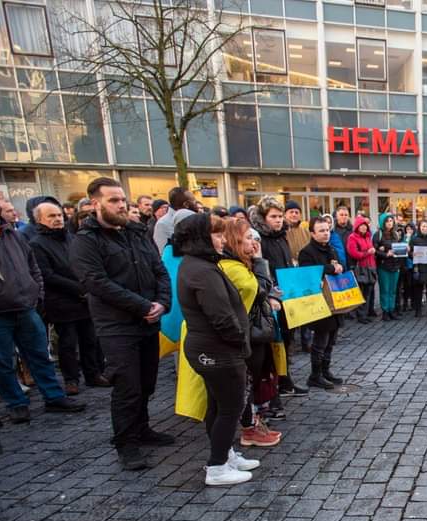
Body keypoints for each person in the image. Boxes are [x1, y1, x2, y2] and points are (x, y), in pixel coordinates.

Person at [72, 177, 170, 470]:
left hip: (148, 321)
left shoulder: (137, 234)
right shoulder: (85, 240)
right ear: (95, 204)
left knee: (147, 382)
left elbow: (159, 270)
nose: (121, 205)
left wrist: (162, 303)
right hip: (117, 326)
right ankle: (126, 443)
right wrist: (142, 306)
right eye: (113, 200)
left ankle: (142, 428)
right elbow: (97, 283)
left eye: (122, 200)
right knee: (127, 386)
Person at [0, 183, 84, 423]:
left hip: (25, 306)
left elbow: (33, 266)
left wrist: (36, 293)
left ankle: (54, 396)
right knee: (2, 360)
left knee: (40, 355)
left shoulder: (11, 232)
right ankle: (16, 403)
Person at [173, 213, 258, 486]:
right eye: (217, 235)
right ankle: (218, 467)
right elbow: (221, 316)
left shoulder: (199, 264)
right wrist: (238, 343)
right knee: (230, 407)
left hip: (213, 349)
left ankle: (225, 454)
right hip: (217, 350)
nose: (223, 240)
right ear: (201, 238)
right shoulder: (202, 270)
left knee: (217, 405)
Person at [29, 200, 108, 395]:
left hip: (84, 299)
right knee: (67, 344)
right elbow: (46, 275)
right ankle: (71, 379)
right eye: (51, 216)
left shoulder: (72, 238)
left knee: (90, 339)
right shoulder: (36, 244)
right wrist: (78, 288)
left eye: (58, 215)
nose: (57, 219)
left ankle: (93, 374)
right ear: (39, 220)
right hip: (61, 302)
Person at [219, 218, 282, 449]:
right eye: (248, 238)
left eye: (254, 238)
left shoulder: (240, 264)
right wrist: (259, 261)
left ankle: (253, 422)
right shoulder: (231, 267)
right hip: (244, 332)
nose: (253, 243)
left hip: (253, 330)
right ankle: (248, 428)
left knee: (254, 377)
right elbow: (259, 289)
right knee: (245, 382)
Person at [251, 198, 306, 396]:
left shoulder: (282, 236)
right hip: (270, 297)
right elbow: (259, 268)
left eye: (280, 216)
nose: (278, 220)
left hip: (286, 293)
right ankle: (275, 383)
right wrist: (270, 292)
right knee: (275, 342)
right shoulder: (259, 239)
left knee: (287, 338)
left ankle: (285, 379)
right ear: (263, 218)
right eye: (273, 216)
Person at [299, 217, 346, 389]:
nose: (326, 233)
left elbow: (336, 266)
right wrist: (331, 269)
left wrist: (339, 267)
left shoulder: (331, 249)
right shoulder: (307, 252)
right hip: (318, 301)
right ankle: (315, 375)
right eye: (321, 230)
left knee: (331, 339)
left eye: (327, 230)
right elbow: (308, 274)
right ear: (312, 233)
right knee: (320, 341)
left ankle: (326, 371)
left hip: (334, 300)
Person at [346, 215, 377, 323]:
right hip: (361, 268)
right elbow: (354, 254)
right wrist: (367, 253)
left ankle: (365, 313)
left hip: (370, 267)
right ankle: (360, 316)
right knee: (362, 292)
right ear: (357, 227)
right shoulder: (352, 237)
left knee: (368, 292)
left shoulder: (368, 237)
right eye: (361, 226)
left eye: (365, 226)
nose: (364, 228)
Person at [374, 213, 402, 321]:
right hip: (383, 266)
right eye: (387, 221)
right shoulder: (378, 234)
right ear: (382, 222)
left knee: (393, 290)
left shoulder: (395, 234)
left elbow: (399, 247)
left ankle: (391, 310)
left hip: (395, 265)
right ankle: (385, 311)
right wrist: (386, 254)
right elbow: (374, 250)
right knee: (385, 289)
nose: (389, 223)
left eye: (391, 221)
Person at [152, 186, 196, 254]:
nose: (196, 203)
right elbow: (162, 252)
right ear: (186, 204)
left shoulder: (194, 219)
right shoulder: (163, 224)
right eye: (193, 200)